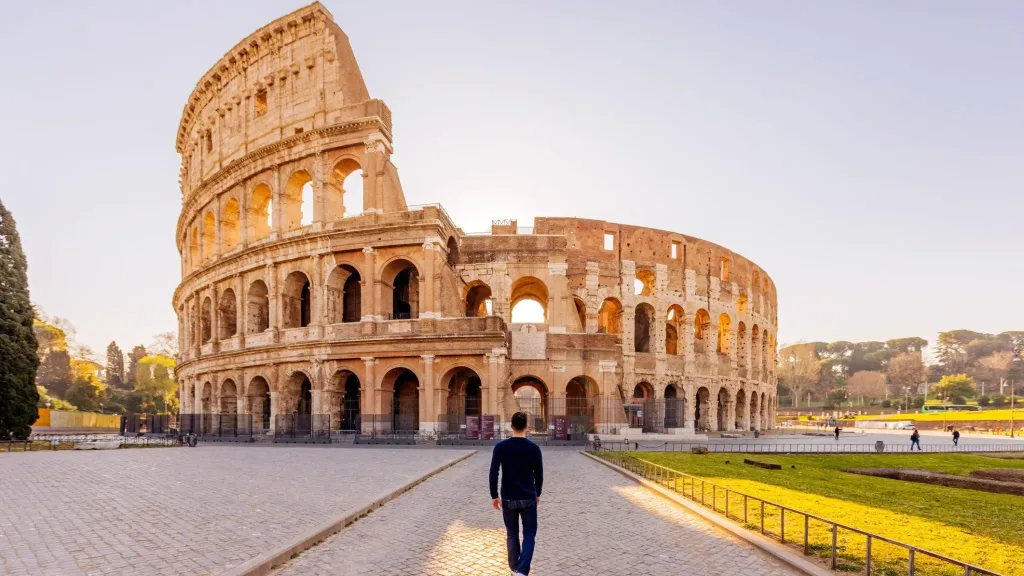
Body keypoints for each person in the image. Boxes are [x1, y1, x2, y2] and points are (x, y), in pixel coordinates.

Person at [490, 411, 543, 576]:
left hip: (508, 497)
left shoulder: (501, 447)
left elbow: (493, 472)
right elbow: (539, 474)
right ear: (527, 427)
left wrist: (494, 495)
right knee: (529, 534)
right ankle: (521, 570)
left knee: (512, 533)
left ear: (511, 426)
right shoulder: (534, 448)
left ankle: (515, 568)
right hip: (528, 496)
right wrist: (538, 493)